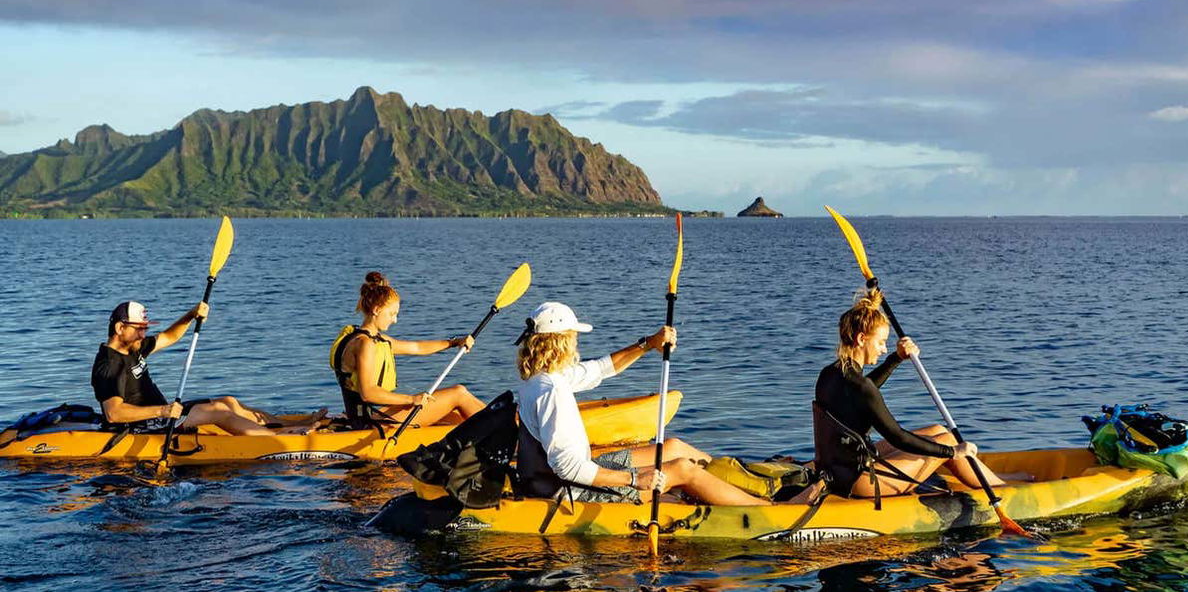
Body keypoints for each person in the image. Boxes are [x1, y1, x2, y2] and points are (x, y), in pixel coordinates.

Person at [514, 301, 768, 506]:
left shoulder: (542, 378)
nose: (576, 343)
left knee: (674, 448)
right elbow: (567, 467)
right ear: (562, 343)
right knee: (682, 469)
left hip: (578, 475)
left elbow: (602, 368)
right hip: (570, 491)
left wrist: (649, 344)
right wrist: (634, 479)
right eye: (573, 337)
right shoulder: (551, 390)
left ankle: (748, 483)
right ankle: (768, 509)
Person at [811, 288, 1023, 500]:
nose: (883, 349)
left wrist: (896, 358)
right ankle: (1003, 488)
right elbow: (899, 437)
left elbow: (861, 393)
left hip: (839, 470)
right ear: (861, 339)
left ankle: (992, 477)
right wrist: (953, 452)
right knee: (948, 440)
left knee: (937, 430)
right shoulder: (861, 386)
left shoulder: (830, 374)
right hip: (859, 482)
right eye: (881, 342)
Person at [91, 301, 324, 435]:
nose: (144, 333)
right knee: (217, 412)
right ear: (120, 328)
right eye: (139, 328)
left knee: (228, 401)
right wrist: (163, 411)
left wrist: (192, 315)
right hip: (144, 425)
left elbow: (169, 336)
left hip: (162, 414)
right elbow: (114, 413)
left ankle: (293, 424)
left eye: (145, 328)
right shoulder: (109, 365)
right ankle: (279, 438)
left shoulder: (133, 347)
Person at [330, 272, 485, 430]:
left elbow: (417, 347)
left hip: (372, 416)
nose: (395, 320)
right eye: (392, 314)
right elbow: (368, 393)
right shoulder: (365, 344)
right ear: (376, 310)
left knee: (457, 417)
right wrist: (412, 399)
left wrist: (453, 342)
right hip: (370, 423)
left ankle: (502, 422)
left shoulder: (362, 338)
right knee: (458, 393)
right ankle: (506, 428)